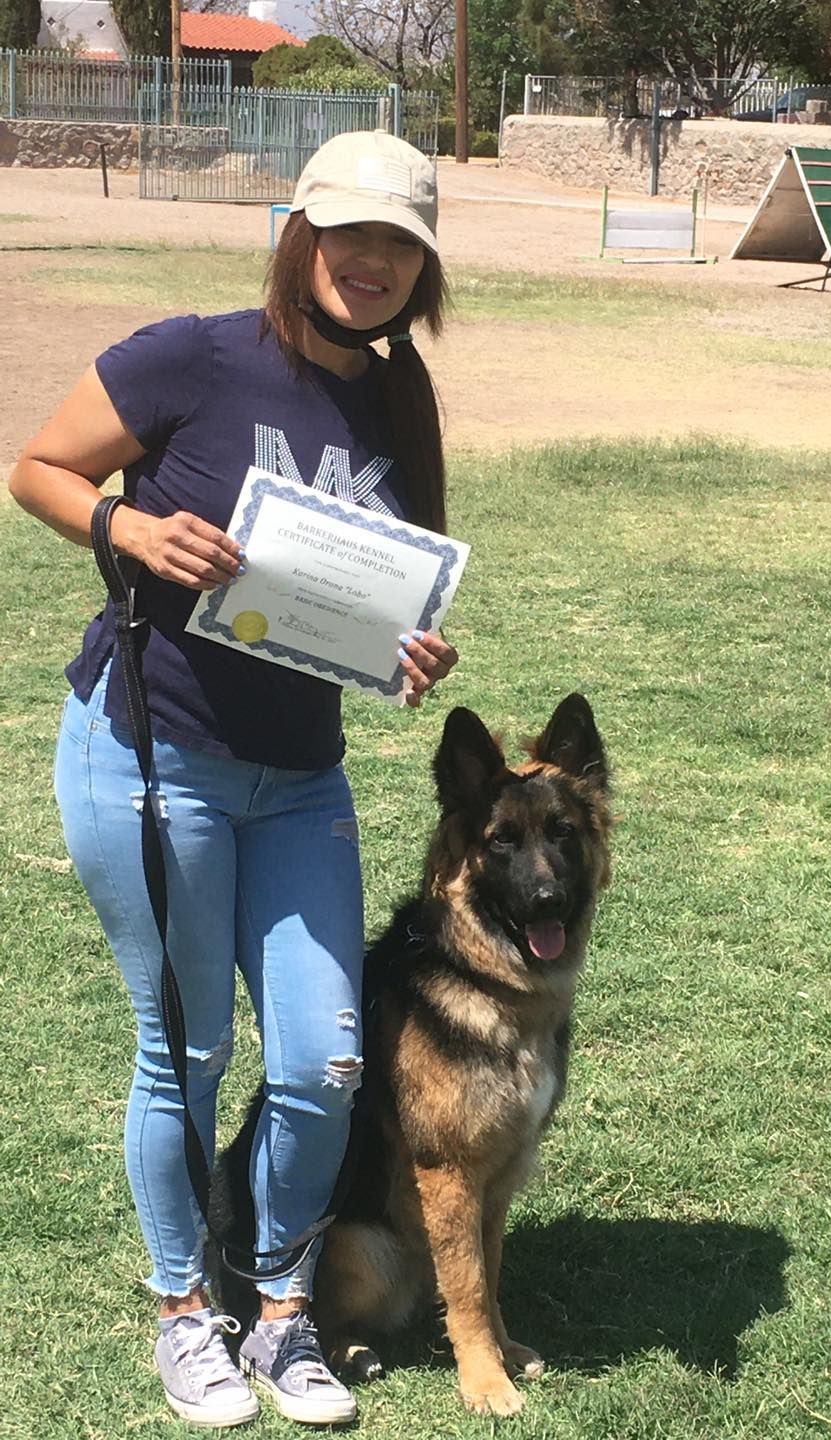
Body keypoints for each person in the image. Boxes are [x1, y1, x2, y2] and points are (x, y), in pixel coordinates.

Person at [7, 130, 459, 1429]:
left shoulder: (396, 401)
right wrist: (130, 524)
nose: (369, 261)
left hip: (301, 776)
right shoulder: (194, 357)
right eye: (349, 232)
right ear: (301, 234)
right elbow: (35, 467)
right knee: (190, 1048)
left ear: (421, 268)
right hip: (155, 756)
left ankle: (278, 1311)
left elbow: (372, 586)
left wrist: (404, 645)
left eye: (399, 244)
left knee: (324, 1060)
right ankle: (180, 1316)